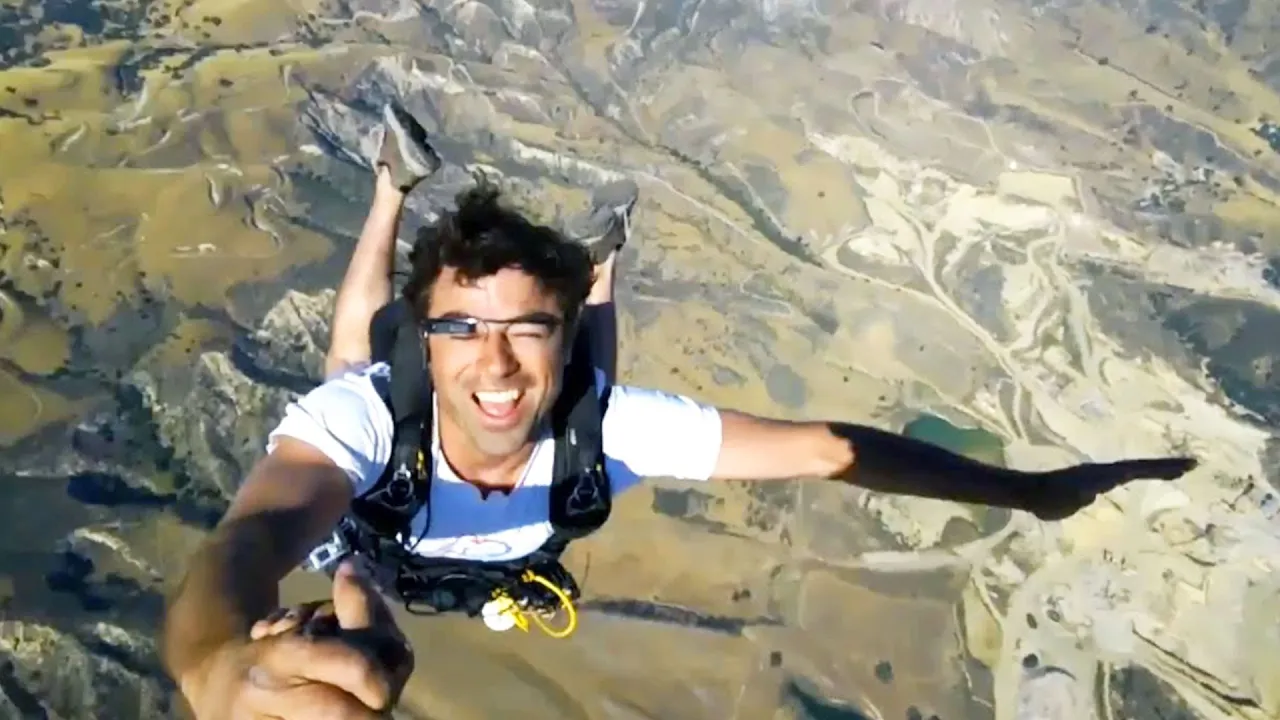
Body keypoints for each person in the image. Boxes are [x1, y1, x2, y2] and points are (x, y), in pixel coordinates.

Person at [161, 104, 1199, 719]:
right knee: (355, 361)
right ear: (431, 342)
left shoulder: (597, 424)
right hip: (397, 529)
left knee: (590, 401)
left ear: (557, 335)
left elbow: (830, 451)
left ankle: (597, 269)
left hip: (452, 544)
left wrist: (1029, 494)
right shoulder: (368, 418)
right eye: (461, 330)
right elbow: (244, 547)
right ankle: (394, 187)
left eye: (528, 328)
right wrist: (213, 664)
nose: (495, 364)